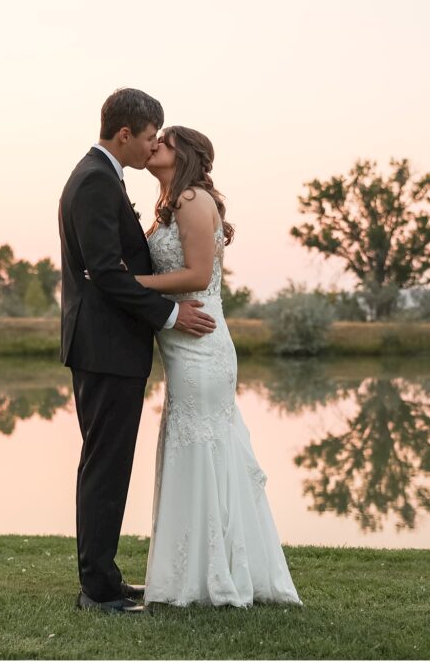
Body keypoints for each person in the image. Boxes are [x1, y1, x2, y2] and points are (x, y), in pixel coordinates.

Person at [57, 89, 217, 615]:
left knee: (108, 463)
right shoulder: (95, 182)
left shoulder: (102, 178)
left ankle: (104, 577)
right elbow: (105, 274)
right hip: (104, 347)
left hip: (110, 347)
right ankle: (97, 589)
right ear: (124, 134)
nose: (152, 147)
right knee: (105, 465)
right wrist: (169, 316)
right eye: (149, 137)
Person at [135, 126, 302, 607]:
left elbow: (197, 275)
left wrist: (128, 282)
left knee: (202, 447)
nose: (153, 147)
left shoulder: (191, 199)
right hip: (182, 342)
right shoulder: (172, 202)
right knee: (194, 446)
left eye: (162, 142)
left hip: (201, 344)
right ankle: (196, 571)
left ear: (182, 153)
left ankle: (209, 577)